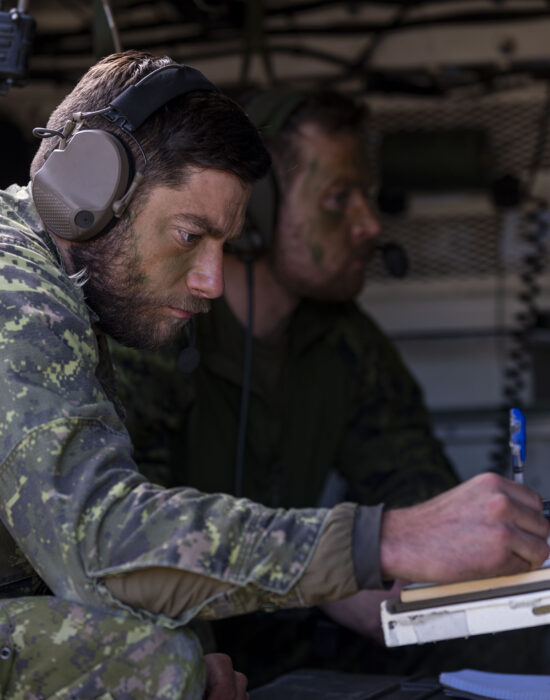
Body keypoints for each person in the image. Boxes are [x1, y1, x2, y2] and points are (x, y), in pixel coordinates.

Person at [0, 51, 548, 699]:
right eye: (187, 236)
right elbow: (104, 543)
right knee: (152, 661)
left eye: (223, 245)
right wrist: (380, 541)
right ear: (88, 190)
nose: (208, 280)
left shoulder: (71, 294)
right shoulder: (15, 288)